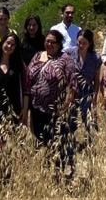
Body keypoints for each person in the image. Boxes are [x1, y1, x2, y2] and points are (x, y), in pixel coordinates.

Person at [26, 29, 77, 180]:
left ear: (59, 44)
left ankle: (55, 174)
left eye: (53, 42)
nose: (49, 44)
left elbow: (73, 85)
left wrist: (65, 106)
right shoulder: (37, 56)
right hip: (36, 107)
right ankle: (42, 173)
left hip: (55, 110)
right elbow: (28, 79)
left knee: (54, 142)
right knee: (38, 141)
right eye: (47, 41)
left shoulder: (65, 59)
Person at [0, 32, 29, 170]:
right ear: (2, 43)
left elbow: (26, 89)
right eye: (8, 43)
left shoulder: (19, 65)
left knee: (8, 149)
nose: (10, 46)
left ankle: (5, 179)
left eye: (13, 45)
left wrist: (25, 110)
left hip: (12, 113)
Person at [72, 28, 102, 142]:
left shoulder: (95, 58)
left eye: (84, 43)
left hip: (87, 91)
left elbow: (97, 80)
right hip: (73, 90)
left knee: (89, 119)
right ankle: (72, 142)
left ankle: (93, 142)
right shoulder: (70, 53)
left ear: (90, 43)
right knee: (71, 118)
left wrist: (95, 95)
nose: (81, 45)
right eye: (79, 42)